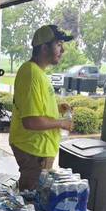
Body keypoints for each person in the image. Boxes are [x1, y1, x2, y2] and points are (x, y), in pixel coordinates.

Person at [10, 25, 75, 190]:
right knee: (32, 200)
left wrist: (56, 107)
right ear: (44, 47)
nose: (63, 50)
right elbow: (31, 121)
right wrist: (62, 123)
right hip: (34, 150)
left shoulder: (37, 72)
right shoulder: (32, 73)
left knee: (33, 195)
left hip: (38, 148)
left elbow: (35, 106)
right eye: (59, 44)